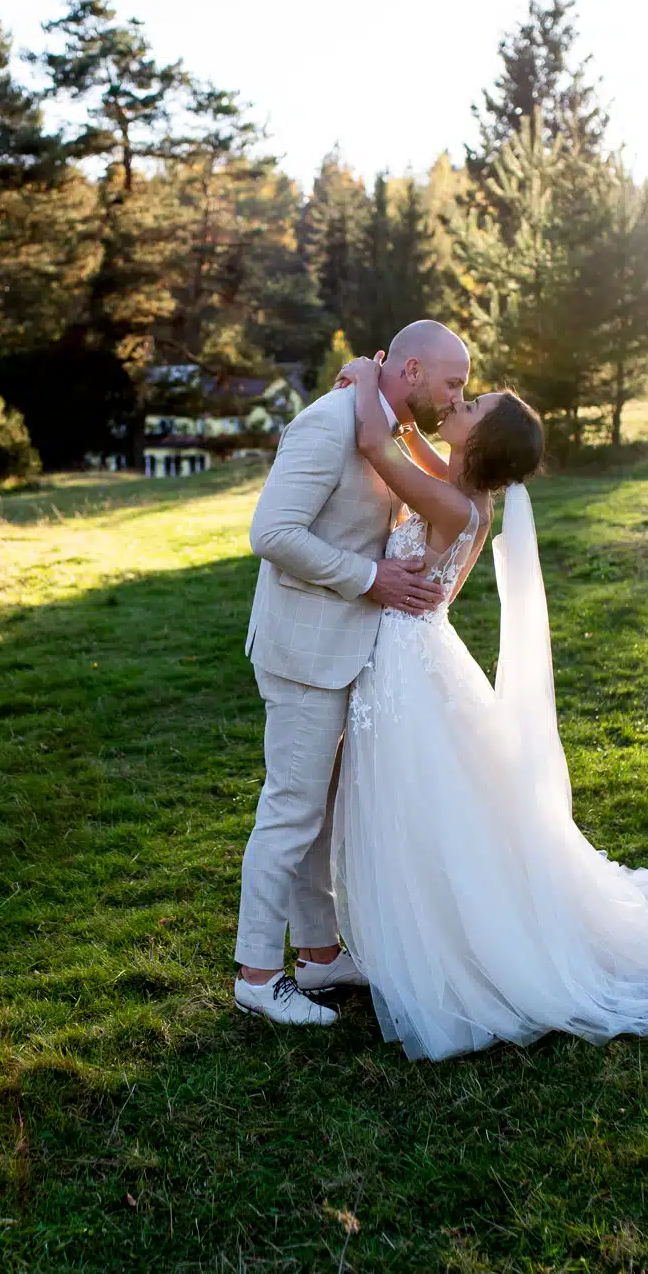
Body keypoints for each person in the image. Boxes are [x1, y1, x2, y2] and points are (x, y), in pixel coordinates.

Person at [326, 353, 648, 1060]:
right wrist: (391, 401)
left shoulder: (455, 504)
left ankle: (446, 943)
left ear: (481, 442)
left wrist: (363, 374)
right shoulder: (458, 485)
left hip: (407, 668)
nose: (463, 402)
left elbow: (375, 446)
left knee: (423, 804)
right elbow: (408, 443)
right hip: (416, 658)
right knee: (444, 806)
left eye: (475, 405)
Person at [234, 321, 471, 1025]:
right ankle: (255, 973)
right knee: (291, 811)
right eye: (451, 382)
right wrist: (370, 578)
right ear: (411, 370)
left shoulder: (380, 423)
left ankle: (317, 954)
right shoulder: (327, 423)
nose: (457, 395)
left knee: (320, 812)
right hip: (304, 652)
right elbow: (271, 535)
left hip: (346, 651)